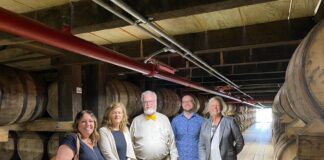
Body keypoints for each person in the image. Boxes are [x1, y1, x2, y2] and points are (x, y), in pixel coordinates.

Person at [130, 90, 178, 160]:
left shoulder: (164, 119)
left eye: (151, 101)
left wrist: (174, 158)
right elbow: (130, 142)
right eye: (145, 102)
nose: (148, 104)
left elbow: (172, 142)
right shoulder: (136, 121)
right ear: (142, 104)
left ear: (156, 102)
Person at [171, 95, 205, 160]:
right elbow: (171, 141)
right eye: (184, 102)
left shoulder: (201, 121)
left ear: (194, 103)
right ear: (182, 104)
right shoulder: (175, 121)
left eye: (189, 101)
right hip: (179, 157)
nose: (187, 103)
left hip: (196, 157)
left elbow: (204, 142)